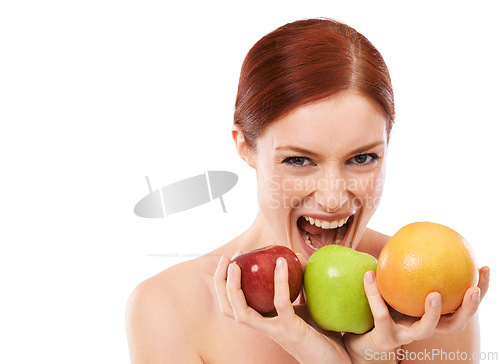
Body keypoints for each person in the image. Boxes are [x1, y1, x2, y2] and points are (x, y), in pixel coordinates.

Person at [126, 18, 490, 363]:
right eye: (299, 161)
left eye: (362, 158)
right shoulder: (170, 308)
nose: (333, 198)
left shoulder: (425, 294)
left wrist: (369, 358)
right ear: (245, 147)